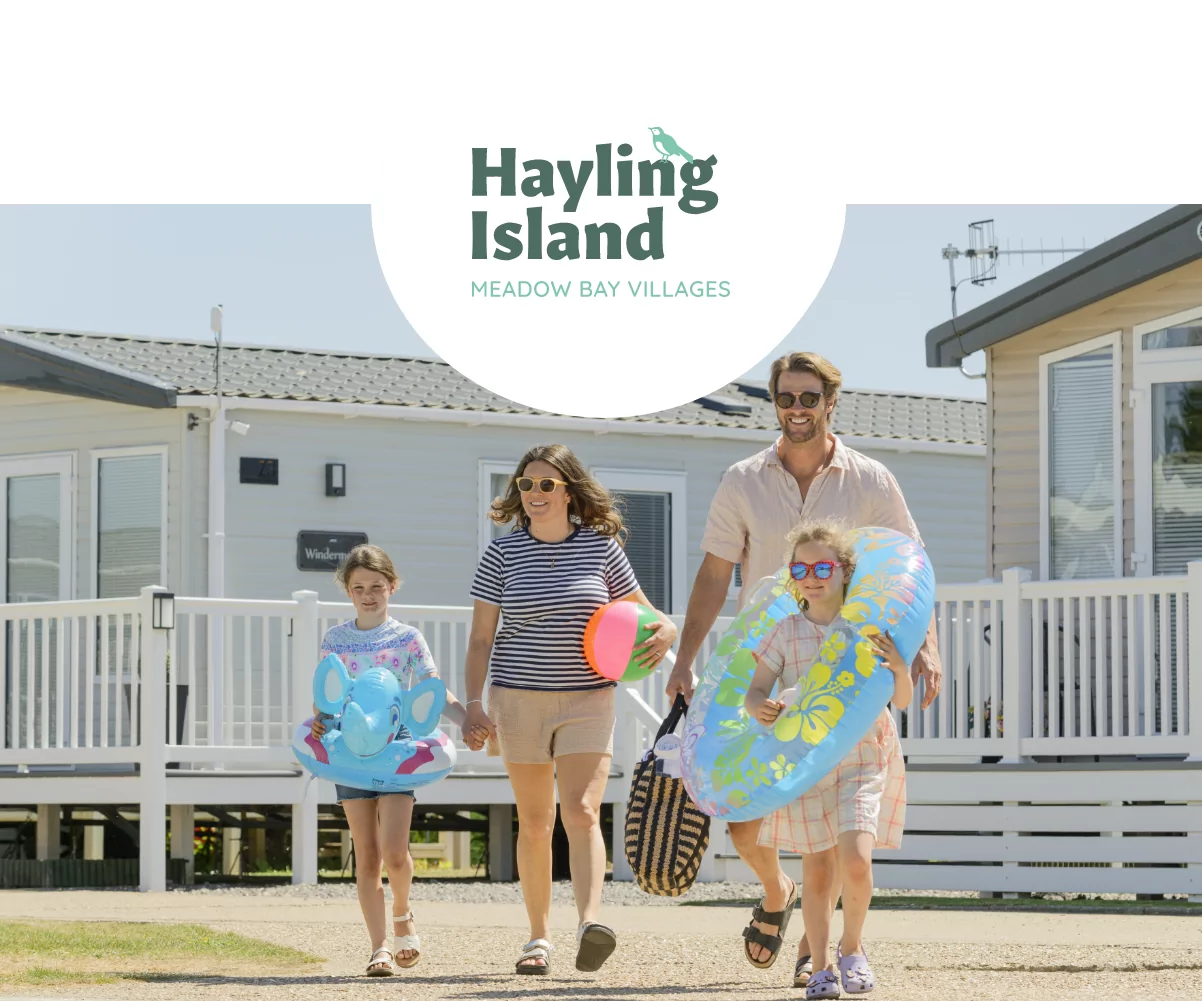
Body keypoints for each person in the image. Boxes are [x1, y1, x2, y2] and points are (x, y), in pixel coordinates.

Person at [664, 350, 942, 975]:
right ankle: (776, 892)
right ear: (775, 404)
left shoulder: (869, 480)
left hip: (842, 678)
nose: (796, 409)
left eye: (808, 398)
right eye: (785, 398)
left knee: (837, 836)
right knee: (742, 825)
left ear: (830, 403)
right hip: (775, 664)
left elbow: (909, 568)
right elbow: (714, 571)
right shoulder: (742, 479)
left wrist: (923, 648)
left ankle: (821, 945)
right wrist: (686, 658)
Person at [461, 444, 679, 975]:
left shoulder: (601, 549)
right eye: (525, 485)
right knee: (535, 823)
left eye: (545, 485)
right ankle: (537, 938)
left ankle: (588, 923)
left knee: (581, 812)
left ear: (568, 491)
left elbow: (644, 613)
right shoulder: (501, 554)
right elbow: (480, 641)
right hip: (517, 700)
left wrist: (668, 628)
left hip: (588, 698)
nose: (533, 494)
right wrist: (472, 703)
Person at [744, 519, 911, 996]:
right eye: (801, 567)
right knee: (816, 869)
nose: (812, 576)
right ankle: (819, 966)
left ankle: (852, 948)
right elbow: (755, 692)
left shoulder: (867, 628)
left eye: (822, 566)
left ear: (844, 571)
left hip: (861, 755)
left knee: (856, 861)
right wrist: (763, 709)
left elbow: (898, 697)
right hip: (807, 758)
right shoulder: (785, 632)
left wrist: (900, 666)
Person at [309, 544, 486, 976]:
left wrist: (466, 721)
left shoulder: (407, 638)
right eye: (358, 588)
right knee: (366, 856)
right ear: (348, 592)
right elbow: (330, 697)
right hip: (349, 753)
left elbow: (431, 690)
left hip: (396, 751)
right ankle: (379, 947)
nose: (368, 595)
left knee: (394, 851)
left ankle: (404, 914)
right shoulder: (334, 639)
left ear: (392, 586)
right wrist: (319, 724)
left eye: (376, 586)